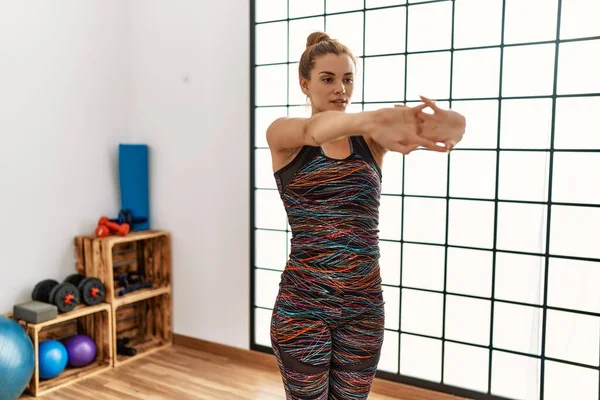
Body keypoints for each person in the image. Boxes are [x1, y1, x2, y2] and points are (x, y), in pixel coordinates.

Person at [266, 31, 465, 400]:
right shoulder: (285, 135)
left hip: (364, 308)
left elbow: (449, 126)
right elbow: (316, 130)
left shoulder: (369, 141)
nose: (340, 88)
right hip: (303, 307)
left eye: (347, 79)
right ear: (304, 83)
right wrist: (374, 119)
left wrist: (453, 124)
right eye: (328, 79)